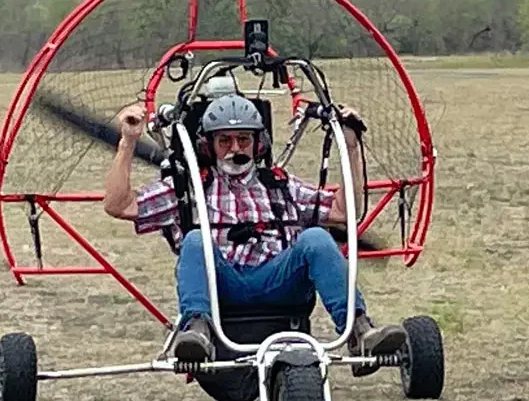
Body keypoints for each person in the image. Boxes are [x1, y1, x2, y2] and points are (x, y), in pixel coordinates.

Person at [103, 92, 406, 377]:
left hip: (279, 282)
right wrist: (127, 142)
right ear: (209, 146)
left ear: (258, 144)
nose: (235, 149)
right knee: (195, 240)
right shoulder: (191, 187)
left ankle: (358, 330)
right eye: (224, 141)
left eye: (243, 140)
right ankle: (196, 329)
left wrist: (351, 147)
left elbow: (345, 211)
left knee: (316, 238)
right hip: (225, 287)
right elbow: (119, 205)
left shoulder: (279, 185)